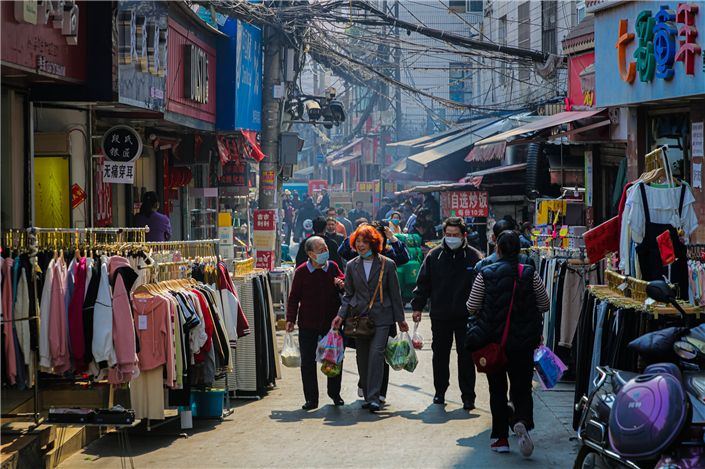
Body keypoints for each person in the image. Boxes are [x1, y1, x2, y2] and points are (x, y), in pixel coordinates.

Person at [465, 230, 549, 457]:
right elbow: (545, 304)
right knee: (522, 388)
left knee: (497, 390)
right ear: (520, 251)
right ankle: (521, 421)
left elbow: (472, 306)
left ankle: (501, 439)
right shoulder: (530, 272)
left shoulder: (485, 272)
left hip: (495, 342)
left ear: (497, 249)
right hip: (523, 344)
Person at [332, 225, 408, 413]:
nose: (360, 244)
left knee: (376, 355)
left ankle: (374, 398)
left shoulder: (387, 264)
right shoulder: (351, 265)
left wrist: (400, 319)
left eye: (364, 241)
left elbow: (395, 294)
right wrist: (340, 316)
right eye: (357, 241)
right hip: (359, 317)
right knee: (362, 357)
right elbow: (349, 295)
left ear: (373, 243)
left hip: (382, 317)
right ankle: (367, 395)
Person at [411, 217, 483, 411]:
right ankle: (439, 392)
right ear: (444, 235)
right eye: (448, 235)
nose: (452, 238)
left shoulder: (474, 257)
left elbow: (482, 287)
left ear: (463, 235)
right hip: (440, 315)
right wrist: (417, 306)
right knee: (440, 356)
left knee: (466, 357)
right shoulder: (434, 256)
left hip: (466, 317)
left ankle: (468, 396)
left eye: (456, 235)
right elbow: (423, 283)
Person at [286, 236, 346, 410]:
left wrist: (342, 284)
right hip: (307, 323)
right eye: (321, 250)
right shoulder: (301, 271)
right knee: (307, 363)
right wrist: (290, 319)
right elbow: (294, 298)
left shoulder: (333, 267)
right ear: (310, 254)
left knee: (334, 359)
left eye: (325, 249)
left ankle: (335, 394)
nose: (325, 252)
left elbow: (346, 287)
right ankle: (311, 399)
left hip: (332, 323)